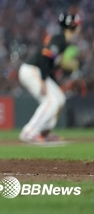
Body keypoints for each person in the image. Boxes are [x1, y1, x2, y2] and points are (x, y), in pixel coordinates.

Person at [18, 12, 81, 145]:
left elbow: (51, 63)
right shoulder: (60, 39)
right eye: (77, 24)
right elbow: (45, 57)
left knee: (60, 99)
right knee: (51, 101)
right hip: (32, 69)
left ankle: (44, 132)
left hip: (37, 71)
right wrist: (43, 80)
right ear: (73, 26)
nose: (79, 27)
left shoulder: (63, 42)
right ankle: (29, 131)